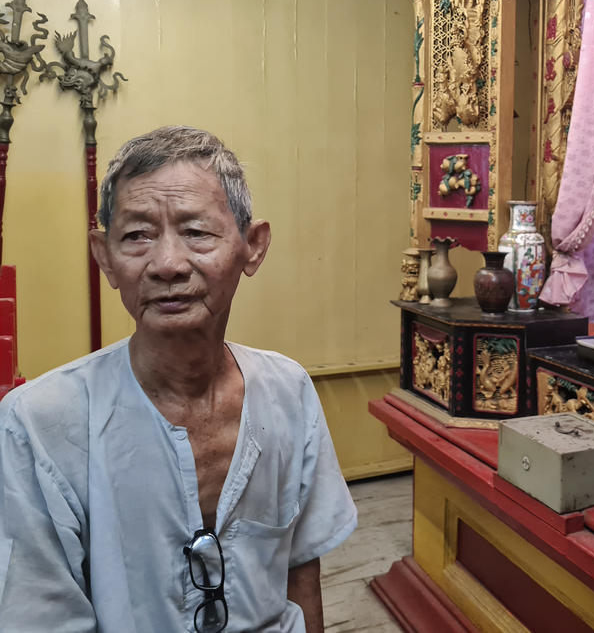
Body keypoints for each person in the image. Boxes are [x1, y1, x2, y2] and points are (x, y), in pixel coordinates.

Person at [0, 126, 357, 632]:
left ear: (252, 248)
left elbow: (300, 567)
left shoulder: (287, 390)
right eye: (137, 236)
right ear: (105, 257)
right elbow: (39, 615)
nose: (167, 264)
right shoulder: (39, 423)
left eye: (197, 232)